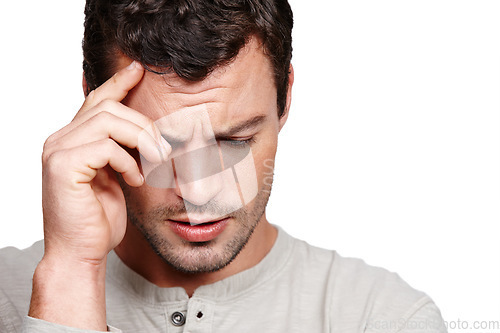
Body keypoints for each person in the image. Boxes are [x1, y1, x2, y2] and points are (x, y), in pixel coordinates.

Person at [0, 0, 447, 332]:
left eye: (234, 141)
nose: (198, 193)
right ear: (94, 105)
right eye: (160, 145)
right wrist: (72, 271)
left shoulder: (385, 318)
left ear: (284, 97)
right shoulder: (8, 300)